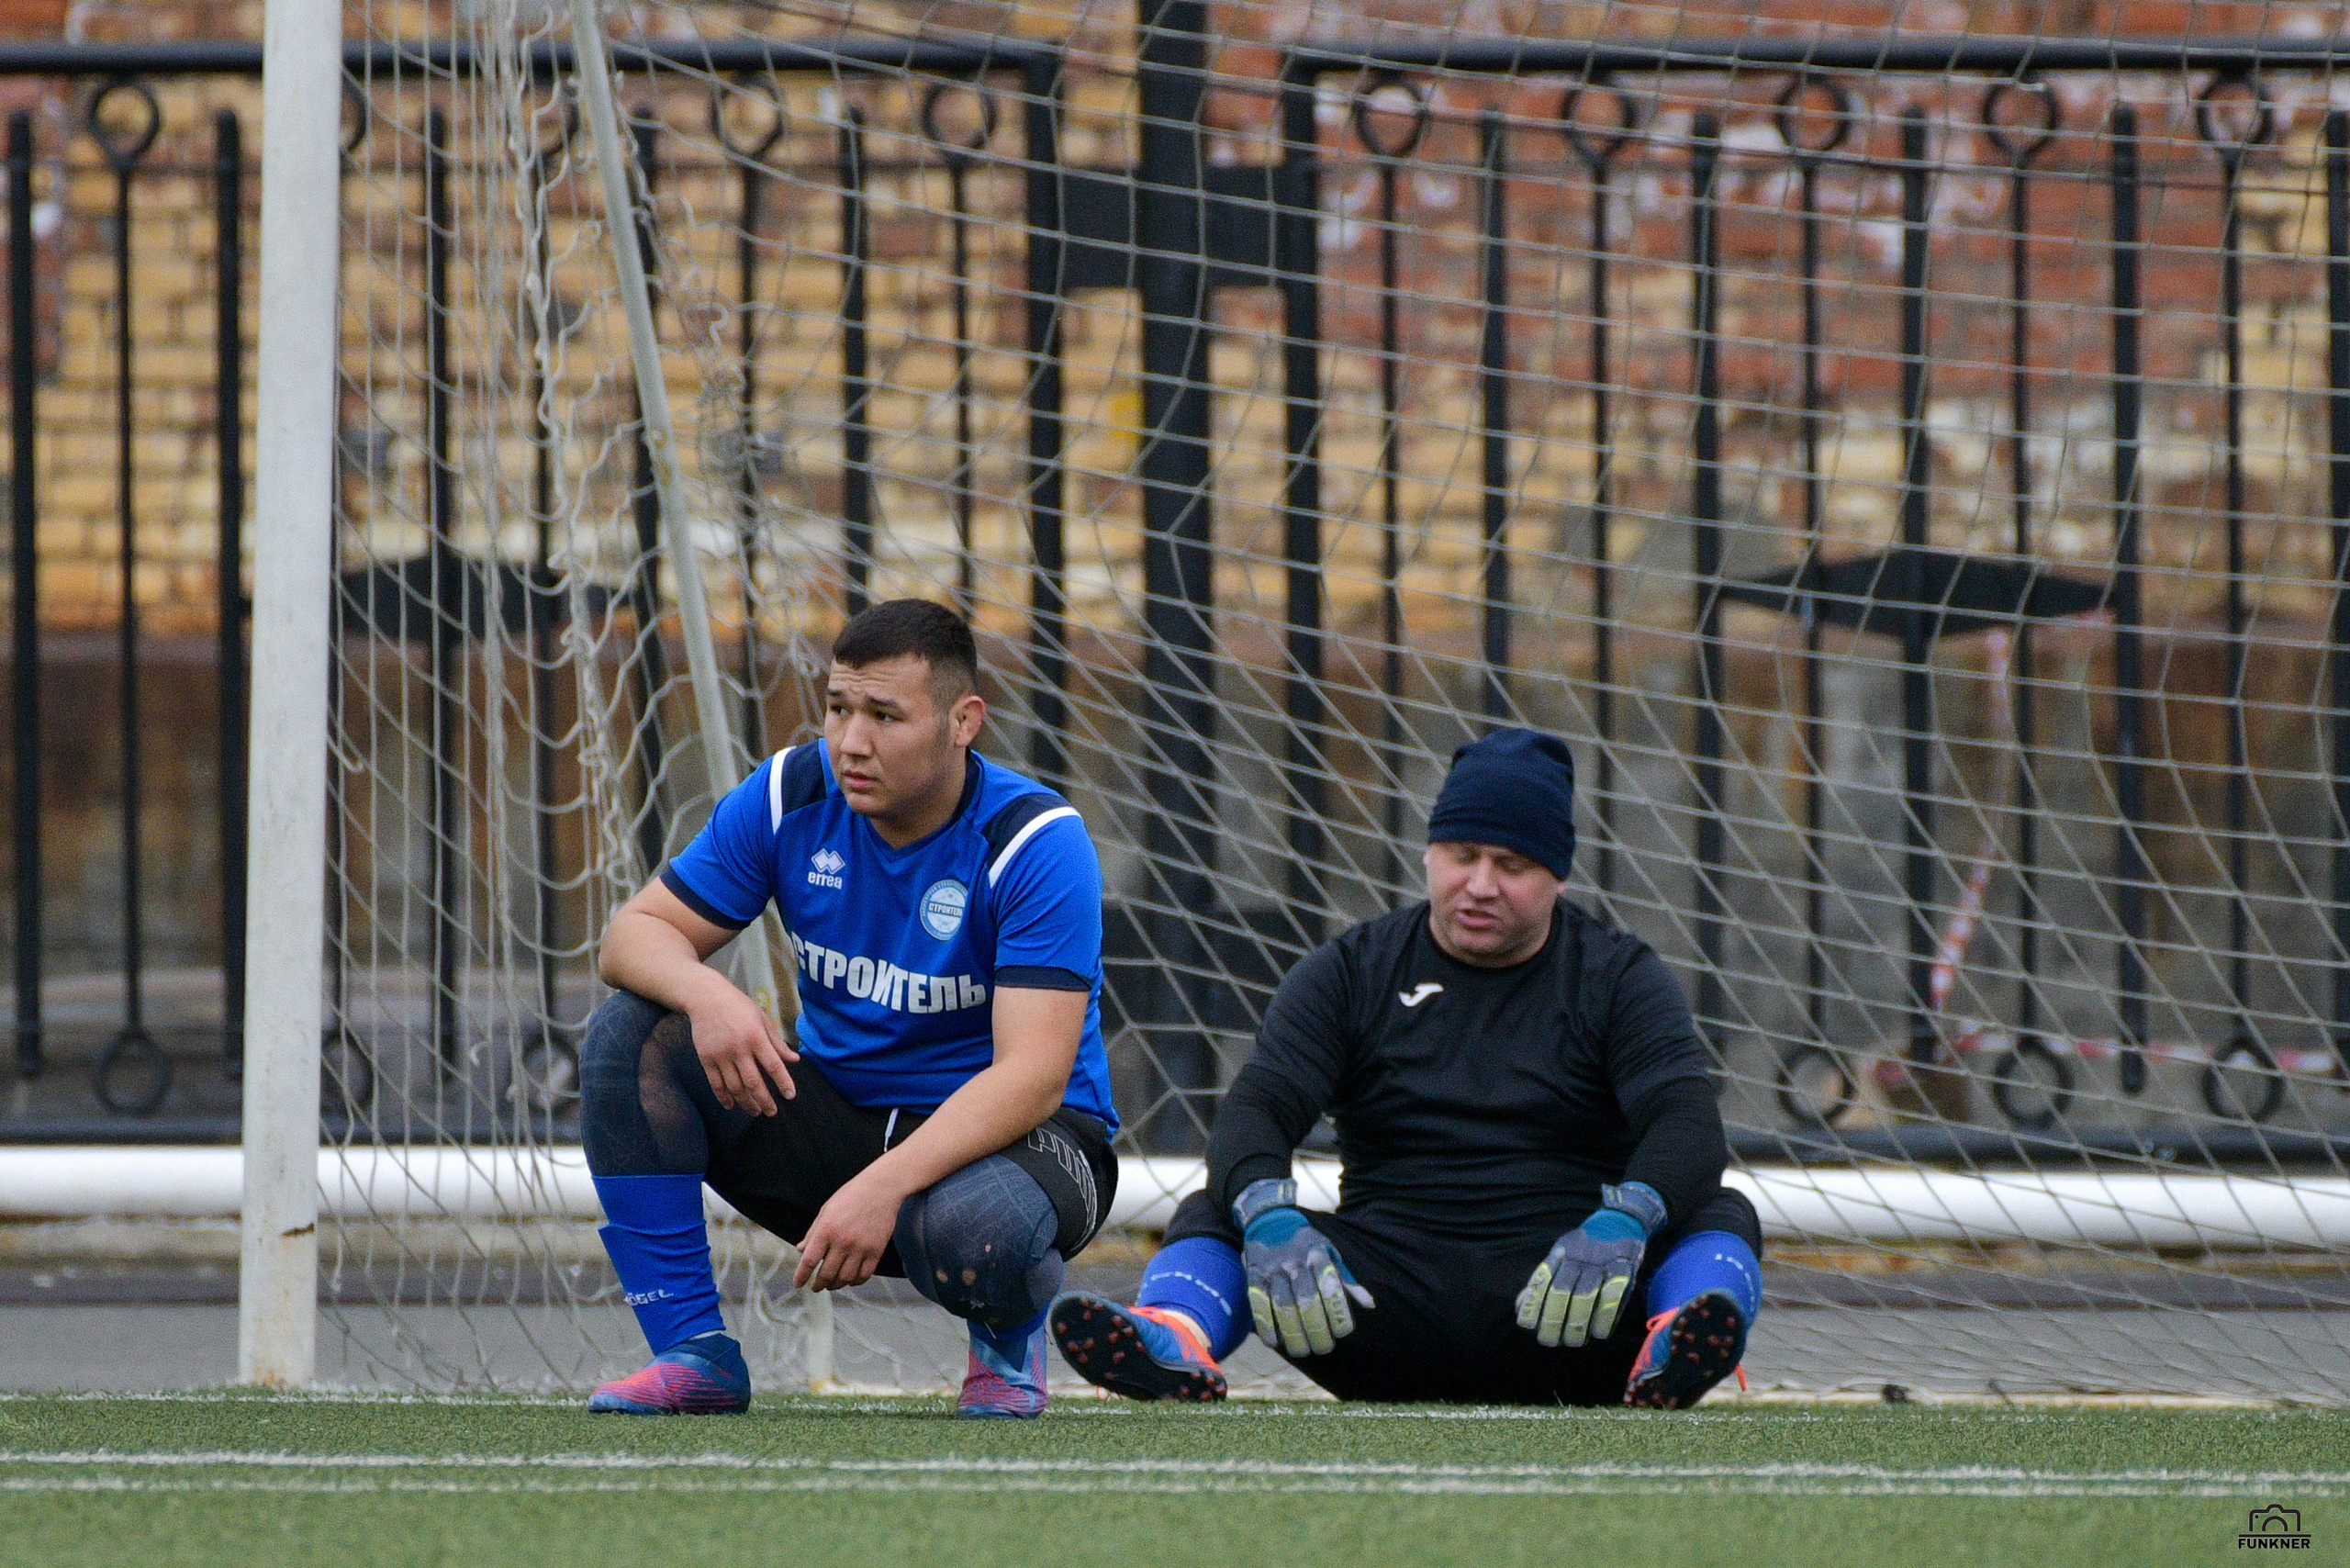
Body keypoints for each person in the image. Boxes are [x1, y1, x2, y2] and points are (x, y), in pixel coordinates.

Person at [1049, 728, 1762, 1408]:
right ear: (1428, 855)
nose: (1480, 884)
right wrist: (1270, 1219)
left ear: (1559, 878)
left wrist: (1627, 1219)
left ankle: (1671, 1346)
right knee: (1223, 1204)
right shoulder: (1350, 970)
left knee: (1718, 1208)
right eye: (1461, 854)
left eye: (1512, 866)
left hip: (1572, 1314)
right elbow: (1256, 1110)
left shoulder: (1617, 975)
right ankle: (1174, 1336)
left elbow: (1688, 1123)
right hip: (1371, 1312)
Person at [580, 598, 1116, 1418]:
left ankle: (1006, 1346)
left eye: (884, 715)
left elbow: (1034, 1079)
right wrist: (708, 991)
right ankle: (695, 1355)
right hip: (839, 1114)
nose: (852, 741)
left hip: (1019, 1142)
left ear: (963, 721)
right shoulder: (790, 792)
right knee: (633, 1033)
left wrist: (885, 1188)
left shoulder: (1034, 839)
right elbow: (633, 935)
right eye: (838, 708)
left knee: (978, 1232)